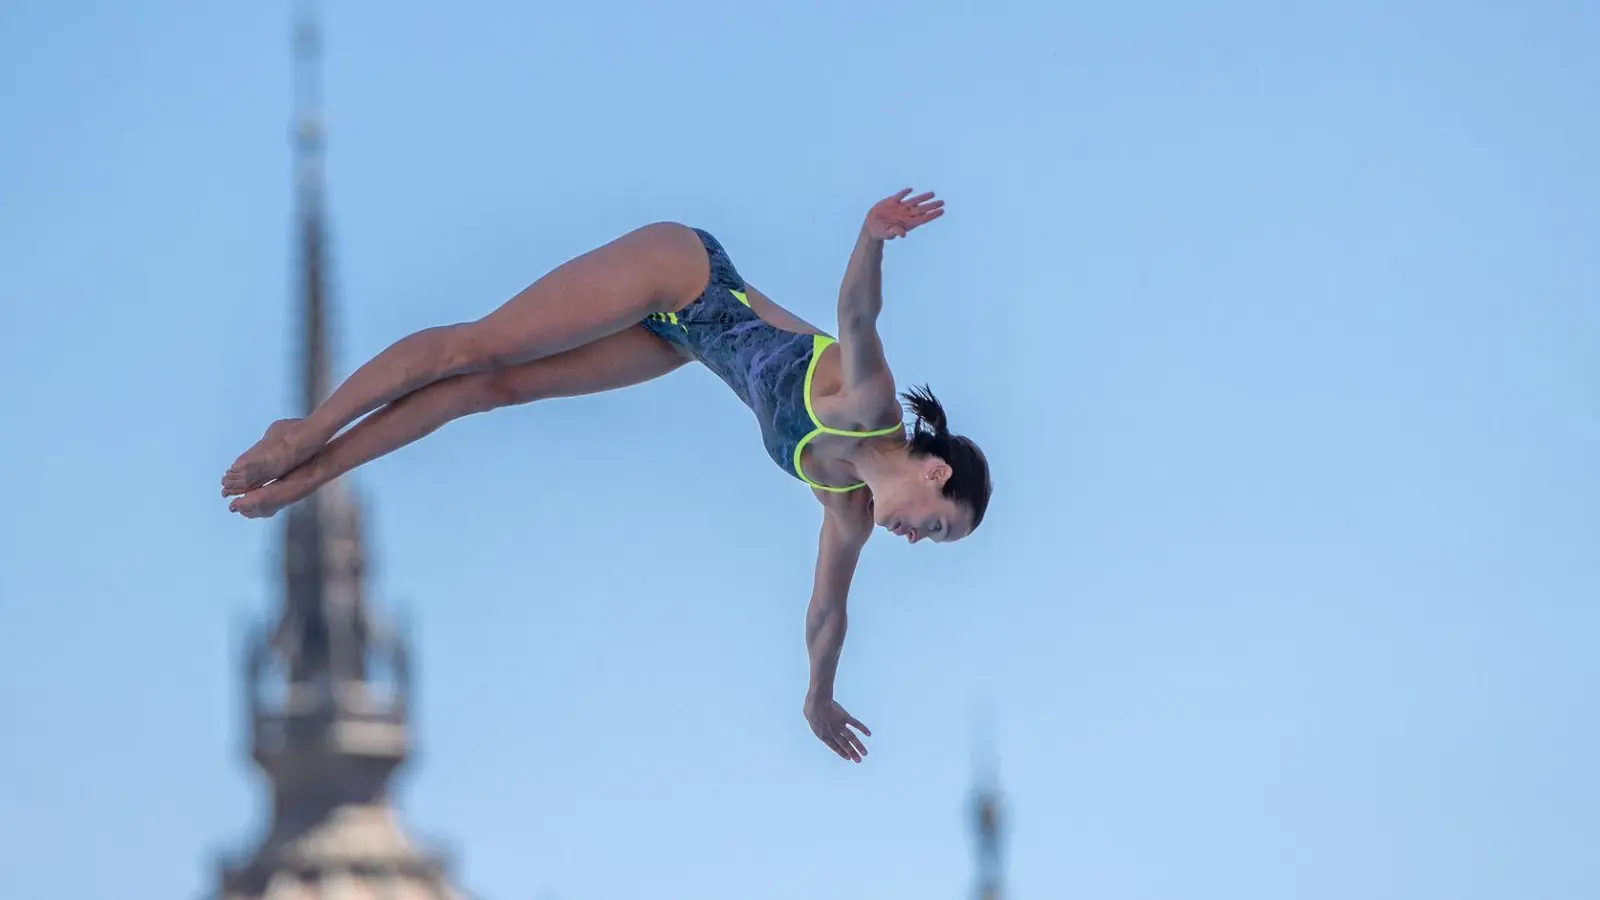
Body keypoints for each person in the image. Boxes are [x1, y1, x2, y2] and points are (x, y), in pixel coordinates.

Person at [220, 188, 992, 763]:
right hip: (683, 272)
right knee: (480, 349)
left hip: (678, 342)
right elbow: (857, 315)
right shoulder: (868, 408)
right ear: (933, 470)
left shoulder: (845, 510)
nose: (918, 539)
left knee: (494, 391)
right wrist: (871, 235)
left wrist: (818, 698)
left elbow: (826, 615)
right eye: (938, 525)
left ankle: (310, 479)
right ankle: (305, 433)